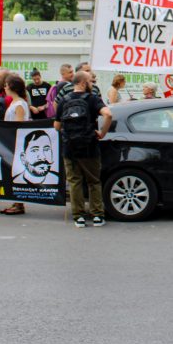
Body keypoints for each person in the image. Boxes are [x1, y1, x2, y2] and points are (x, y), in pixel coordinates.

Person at [55, 71, 112, 227]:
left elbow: (56, 126)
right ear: (82, 83)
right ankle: (97, 216)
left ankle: (78, 216)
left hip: (70, 148)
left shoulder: (64, 100)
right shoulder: (93, 99)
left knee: (75, 182)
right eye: (90, 81)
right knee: (93, 181)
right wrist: (101, 133)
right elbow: (108, 115)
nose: (92, 84)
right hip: (89, 147)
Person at [0, 74, 32, 216]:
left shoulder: (19, 104)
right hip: (11, 141)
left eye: (6, 85)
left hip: (16, 142)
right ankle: (16, 202)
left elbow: (19, 125)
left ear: (12, 87)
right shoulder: (15, 102)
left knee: (17, 172)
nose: (5, 87)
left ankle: (19, 203)